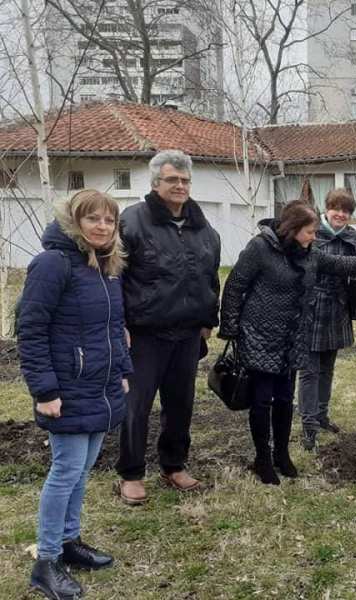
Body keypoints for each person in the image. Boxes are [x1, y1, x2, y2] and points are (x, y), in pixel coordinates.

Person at [219, 200, 356, 485]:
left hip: (293, 336)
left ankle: (282, 454)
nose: (315, 237)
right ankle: (262, 458)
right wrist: (230, 328)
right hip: (260, 335)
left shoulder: (310, 252)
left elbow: (339, 264)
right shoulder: (260, 248)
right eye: (310, 232)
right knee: (262, 400)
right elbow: (235, 284)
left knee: (286, 398)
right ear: (292, 229)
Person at [17, 190, 130, 599]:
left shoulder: (104, 266)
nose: (102, 227)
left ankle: (69, 541)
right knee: (65, 472)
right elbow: (30, 330)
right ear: (74, 222)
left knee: (82, 472)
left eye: (109, 221)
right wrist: (44, 390)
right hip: (65, 389)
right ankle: (46, 561)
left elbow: (115, 326)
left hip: (100, 387)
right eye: (93, 219)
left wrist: (123, 372)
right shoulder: (52, 263)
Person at [115, 150, 221, 505]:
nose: (180, 186)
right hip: (144, 333)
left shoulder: (203, 227)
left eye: (185, 180)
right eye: (172, 179)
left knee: (181, 405)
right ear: (156, 183)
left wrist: (208, 320)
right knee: (136, 406)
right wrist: (118, 325)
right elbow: (113, 279)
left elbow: (210, 278)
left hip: (188, 334)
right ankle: (131, 473)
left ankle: (174, 464)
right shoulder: (131, 222)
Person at [298, 189, 356, 451]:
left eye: (347, 211)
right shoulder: (312, 233)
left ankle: (321, 415)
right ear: (326, 209)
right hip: (310, 308)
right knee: (309, 371)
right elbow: (331, 263)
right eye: (336, 209)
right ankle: (308, 426)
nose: (341, 215)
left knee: (328, 368)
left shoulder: (351, 236)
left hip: (338, 308)